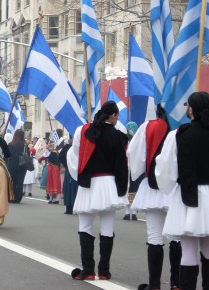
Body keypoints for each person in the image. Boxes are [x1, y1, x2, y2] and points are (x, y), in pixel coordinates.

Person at [155, 92, 209, 290]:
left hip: (189, 195)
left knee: (189, 251)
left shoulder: (179, 135)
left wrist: (167, 187)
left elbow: (166, 169)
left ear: (191, 109)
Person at [67, 101, 129, 281]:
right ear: (113, 116)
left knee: (85, 225)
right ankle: (104, 271)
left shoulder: (83, 130)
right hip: (109, 184)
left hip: (90, 183)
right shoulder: (119, 135)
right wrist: (122, 188)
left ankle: (88, 270)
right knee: (107, 227)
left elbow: (76, 156)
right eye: (117, 116)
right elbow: (122, 165)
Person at [127, 107, 181, 290]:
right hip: (176, 188)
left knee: (154, 236)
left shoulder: (148, 127)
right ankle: (176, 284)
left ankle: (154, 285)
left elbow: (134, 154)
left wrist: (140, 171)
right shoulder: (183, 126)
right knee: (177, 237)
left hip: (153, 186)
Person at [124, 121, 142, 221]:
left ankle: (133, 212)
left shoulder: (138, 140)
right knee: (126, 189)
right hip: (127, 167)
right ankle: (128, 212)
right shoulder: (125, 139)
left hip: (134, 167)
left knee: (134, 189)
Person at [6, 129, 28, 203]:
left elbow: (6, 155)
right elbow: (28, 156)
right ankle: (18, 197)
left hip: (12, 165)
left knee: (12, 182)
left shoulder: (10, 145)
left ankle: (11, 197)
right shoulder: (24, 146)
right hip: (22, 166)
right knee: (20, 182)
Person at [59, 136, 77, 215]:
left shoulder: (80, 147)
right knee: (69, 189)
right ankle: (69, 207)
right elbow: (61, 157)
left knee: (76, 189)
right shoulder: (67, 147)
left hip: (78, 171)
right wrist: (67, 165)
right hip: (69, 170)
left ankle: (76, 207)